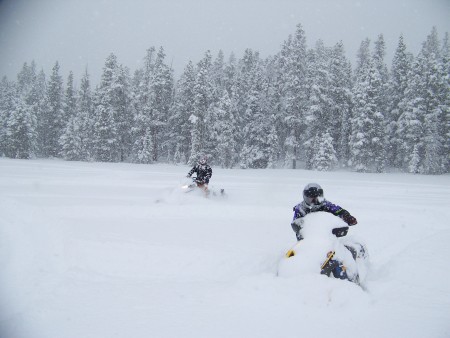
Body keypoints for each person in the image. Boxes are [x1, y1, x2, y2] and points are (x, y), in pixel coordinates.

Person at [291, 183, 357, 241]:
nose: (314, 201)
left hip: (326, 239)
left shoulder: (326, 205)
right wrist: (299, 230)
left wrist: (347, 217)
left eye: (316, 198)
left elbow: (338, 210)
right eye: (311, 198)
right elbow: (296, 224)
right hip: (307, 240)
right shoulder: (300, 209)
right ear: (305, 197)